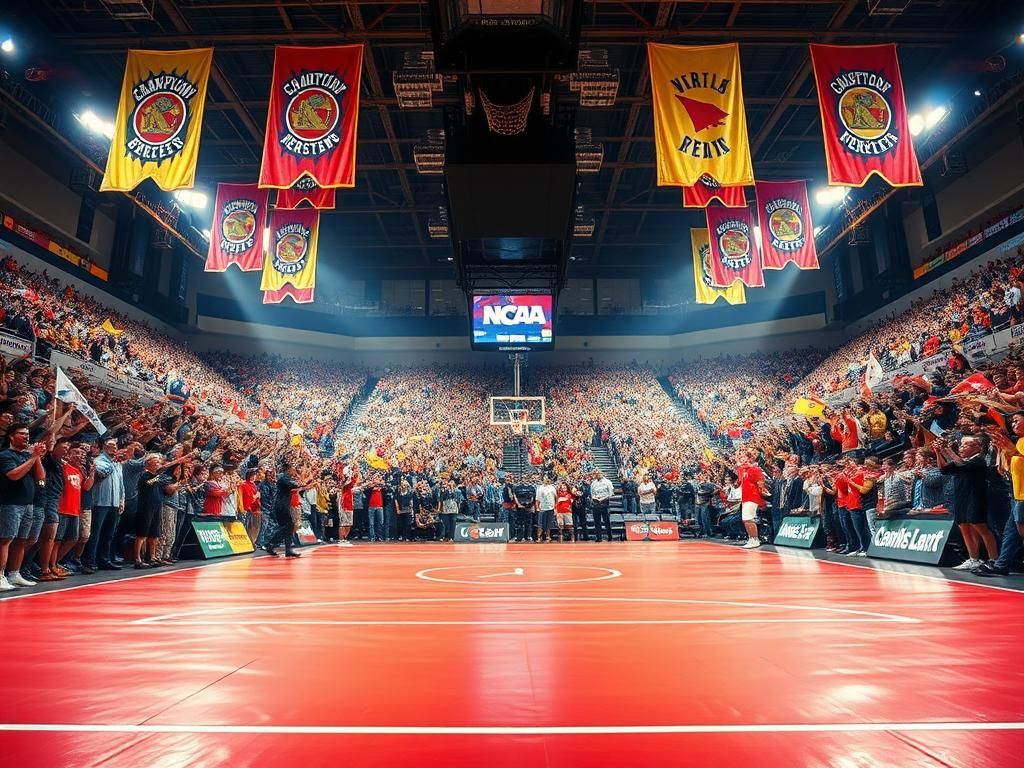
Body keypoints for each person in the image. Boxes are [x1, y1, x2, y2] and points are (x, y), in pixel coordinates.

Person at [935, 435, 999, 570]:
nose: (961, 448)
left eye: (965, 445)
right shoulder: (962, 460)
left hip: (975, 497)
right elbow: (943, 469)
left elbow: (961, 464)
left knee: (980, 527)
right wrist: (938, 451)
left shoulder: (978, 461)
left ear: (977, 448)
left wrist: (947, 449)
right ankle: (973, 558)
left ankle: (994, 559)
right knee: (963, 526)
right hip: (961, 497)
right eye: (961, 445)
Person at [0, 423, 46, 590]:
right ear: (11, 436)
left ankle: (14, 573)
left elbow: (41, 478)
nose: (26, 436)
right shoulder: (5, 455)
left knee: (21, 540)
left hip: (28, 504)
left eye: (27, 434)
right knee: (6, 540)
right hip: (10, 504)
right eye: (21, 433)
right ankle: (0, 575)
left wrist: (37, 457)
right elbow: (13, 475)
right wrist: (33, 457)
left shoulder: (27, 456)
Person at [265, 463, 316, 558]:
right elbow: (296, 485)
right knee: (287, 526)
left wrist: (307, 483)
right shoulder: (283, 478)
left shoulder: (286, 478)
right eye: (292, 468)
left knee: (289, 526)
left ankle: (285, 549)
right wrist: (307, 481)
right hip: (280, 506)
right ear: (288, 469)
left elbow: (298, 487)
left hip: (284, 505)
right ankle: (271, 543)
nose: (294, 470)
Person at [735, 450, 767, 549]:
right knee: (745, 520)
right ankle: (751, 539)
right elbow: (739, 482)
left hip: (753, 497)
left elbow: (761, 483)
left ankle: (755, 539)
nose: (742, 459)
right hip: (745, 497)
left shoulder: (755, 469)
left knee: (748, 518)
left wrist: (762, 494)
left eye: (744, 457)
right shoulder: (742, 470)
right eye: (740, 458)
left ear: (750, 459)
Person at [590, 470, 614, 542]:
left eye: (599, 473)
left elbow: (611, 493)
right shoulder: (593, 483)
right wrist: (595, 498)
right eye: (596, 474)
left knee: (606, 521)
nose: (598, 475)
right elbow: (592, 493)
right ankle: (598, 537)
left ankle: (609, 536)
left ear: (602, 474)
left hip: (605, 502)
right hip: (596, 503)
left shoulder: (608, 482)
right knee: (597, 521)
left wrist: (604, 498)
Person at [535, 476, 556, 543]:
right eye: (545, 479)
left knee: (548, 524)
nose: (546, 481)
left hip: (550, 508)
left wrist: (555, 507)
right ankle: (539, 537)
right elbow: (537, 499)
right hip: (542, 508)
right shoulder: (540, 488)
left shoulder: (552, 488)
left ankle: (548, 536)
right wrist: (537, 507)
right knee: (540, 524)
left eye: (547, 479)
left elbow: (556, 498)